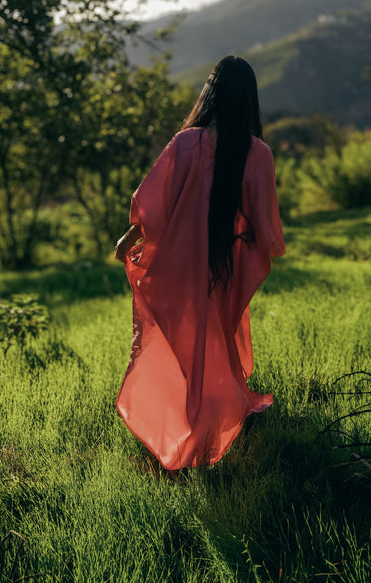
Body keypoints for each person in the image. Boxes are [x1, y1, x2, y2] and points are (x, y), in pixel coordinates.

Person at [114, 56, 285, 471]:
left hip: (178, 265)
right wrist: (261, 249)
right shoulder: (257, 153)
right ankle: (212, 416)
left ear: (211, 94)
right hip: (224, 267)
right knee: (215, 338)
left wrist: (130, 236)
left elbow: (153, 205)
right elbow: (268, 231)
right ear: (250, 101)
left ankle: (183, 420)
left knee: (183, 342)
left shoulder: (186, 142)